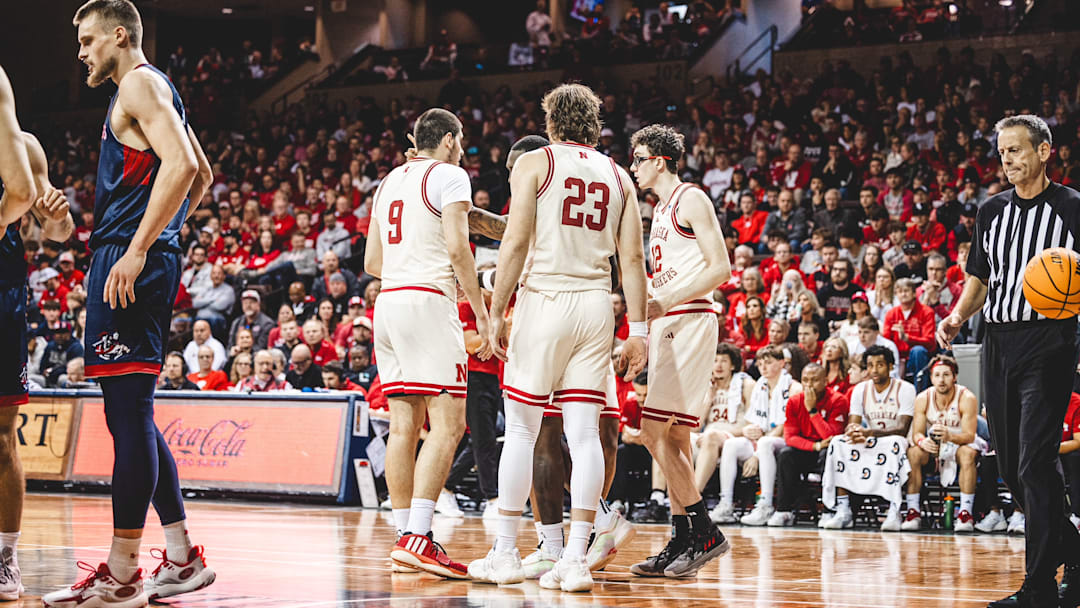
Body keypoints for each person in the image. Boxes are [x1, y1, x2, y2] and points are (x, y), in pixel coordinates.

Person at [55, 4, 217, 606]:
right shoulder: (157, 87)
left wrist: (141, 247)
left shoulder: (140, 83)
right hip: (136, 254)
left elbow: (182, 168)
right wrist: (162, 239)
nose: (81, 51)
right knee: (135, 416)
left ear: (119, 35)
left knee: (127, 418)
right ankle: (179, 558)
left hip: (129, 256)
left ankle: (123, 574)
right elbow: (198, 173)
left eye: (88, 39)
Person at [470, 84, 646, 593]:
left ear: (550, 123)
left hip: (545, 297)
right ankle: (574, 560)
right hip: (595, 304)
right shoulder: (619, 175)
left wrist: (494, 311)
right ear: (595, 124)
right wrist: (639, 331)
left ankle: (504, 551)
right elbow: (631, 261)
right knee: (585, 435)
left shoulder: (535, 164)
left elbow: (516, 240)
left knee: (523, 432)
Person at [937, 115, 1080, 608]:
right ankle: (1074, 552)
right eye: (1002, 153)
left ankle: (1038, 586)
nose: (1008, 160)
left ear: (1044, 151)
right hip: (998, 341)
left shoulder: (1072, 208)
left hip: (1051, 341)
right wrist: (957, 315)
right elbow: (980, 277)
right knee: (1013, 466)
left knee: (1035, 461)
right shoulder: (990, 211)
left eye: (1017, 150)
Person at [365, 108, 492, 580]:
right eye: (461, 141)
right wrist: (480, 310)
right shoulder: (451, 175)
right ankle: (420, 536)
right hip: (427, 303)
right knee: (448, 423)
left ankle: (405, 538)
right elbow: (459, 247)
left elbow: (372, 260)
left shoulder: (388, 182)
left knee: (404, 425)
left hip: (389, 302)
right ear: (450, 139)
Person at [623, 124, 732, 577]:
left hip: (689, 318)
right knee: (674, 438)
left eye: (639, 158)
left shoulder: (691, 198)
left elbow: (722, 267)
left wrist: (665, 303)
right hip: (672, 321)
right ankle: (682, 538)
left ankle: (705, 530)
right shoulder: (662, 208)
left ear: (661, 160)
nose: (633, 166)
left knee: (650, 431)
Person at [0, 116, 70, 598]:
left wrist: (58, 214)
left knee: (3, 440)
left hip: (2, 302)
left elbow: (60, 232)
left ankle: (6, 557)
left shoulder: (22, 146)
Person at [820, 345, 915, 531]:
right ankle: (843, 510)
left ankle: (894, 510)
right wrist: (854, 432)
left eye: (879, 365)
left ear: (890, 366)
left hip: (897, 441)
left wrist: (869, 433)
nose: (874, 370)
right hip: (872, 440)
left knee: (893, 443)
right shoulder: (860, 389)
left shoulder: (906, 388)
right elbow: (853, 423)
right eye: (870, 365)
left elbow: (902, 429)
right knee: (838, 443)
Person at [903, 355, 981, 532]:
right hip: (935, 448)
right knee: (914, 453)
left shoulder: (967, 397)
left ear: (954, 377)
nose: (941, 380)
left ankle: (965, 514)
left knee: (968, 453)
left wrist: (950, 436)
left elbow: (969, 435)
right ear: (931, 378)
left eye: (946, 375)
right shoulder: (923, 398)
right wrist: (923, 442)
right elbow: (916, 433)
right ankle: (913, 511)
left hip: (959, 444)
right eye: (937, 375)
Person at [771, 364, 849, 527]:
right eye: (805, 380)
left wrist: (812, 411)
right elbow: (790, 437)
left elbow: (831, 437)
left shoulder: (838, 400)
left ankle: (829, 510)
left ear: (825, 381)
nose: (809, 385)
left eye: (814, 380)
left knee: (829, 452)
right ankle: (783, 510)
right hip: (809, 448)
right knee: (786, 454)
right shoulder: (794, 401)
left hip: (829, 451)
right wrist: (815, 446)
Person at [739, 346, 803, 526]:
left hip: (786, 440)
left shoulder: (794, 387)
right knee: (732, 445)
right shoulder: (760, 385)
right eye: (760, 363)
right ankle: (725, 504)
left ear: (782, 363)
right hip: (764, 439)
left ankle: (765, 504)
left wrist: (756, 454)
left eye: (768, 362)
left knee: (766, 443)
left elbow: (786, 425)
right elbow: (750, 420)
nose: (763, 367)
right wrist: (747, 431)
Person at [695, 344, 754, 523]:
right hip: (707, 440)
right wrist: (708, 399)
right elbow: (695, 427)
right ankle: (659, 497)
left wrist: (721, 434)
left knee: (712, 435)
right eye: (714, 360)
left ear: (733, 365)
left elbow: (753, 424)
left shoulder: (746, 384)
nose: (718, 365)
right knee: (671, 440)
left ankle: (692, 501)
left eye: (723, 361)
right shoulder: (706, 385)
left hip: (739, 437)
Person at [882, 278, 935, 385]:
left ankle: (920, 392)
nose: (903, 294)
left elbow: (930, 342)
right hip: (897, 357)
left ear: (914, 293)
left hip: (918, 357)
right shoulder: (891, 313)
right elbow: (886, 340)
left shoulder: (926, 312)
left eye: (906, 291)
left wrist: (907, 339)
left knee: (918, 351)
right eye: (900, 292)